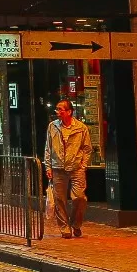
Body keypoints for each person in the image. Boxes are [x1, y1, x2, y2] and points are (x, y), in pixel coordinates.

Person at [45, 99, 92, 239]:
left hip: (76, 168)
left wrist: (83, 165)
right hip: (58, 167)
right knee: (60, 199)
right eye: (57, 109)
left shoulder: (81, 128)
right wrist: (48, 166)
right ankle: (65, 228)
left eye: (61, 110)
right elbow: (48, 148)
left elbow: (87, 149)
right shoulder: (52, 126)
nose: (58, 112)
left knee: (79, 197)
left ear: (69, 111)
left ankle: (76, 224)